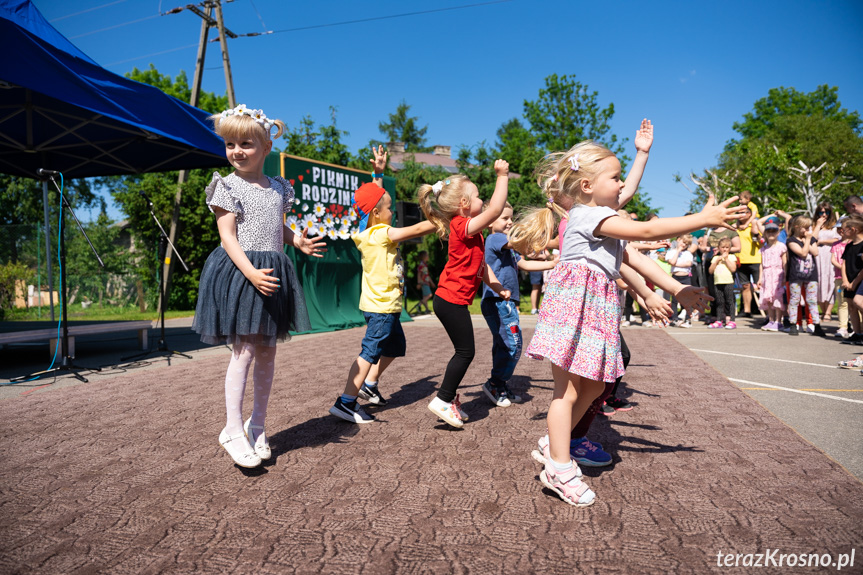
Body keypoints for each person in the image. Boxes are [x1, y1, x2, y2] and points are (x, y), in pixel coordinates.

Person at [508, 140, 743, 506]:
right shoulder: (588, 217)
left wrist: (674, 288)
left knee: (596, 388)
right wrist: (701, 219)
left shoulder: (603, 218)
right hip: (574, 312)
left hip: (595, 312)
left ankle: (554, 441)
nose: (622, 186)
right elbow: (648, 234)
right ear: (586, 186)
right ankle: (558, 466)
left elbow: (634, 259)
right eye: (614, 178)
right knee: (567, 393)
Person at [193, 105, 325, 468]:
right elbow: (228, 237)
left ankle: (258, 426)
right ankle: (233, 430)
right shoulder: (226, 185)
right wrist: (251, 272)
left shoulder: (277, 188)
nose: (236, 151)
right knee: (245, 351)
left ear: (267, 147)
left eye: (246, 143)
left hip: (272, 271)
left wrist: (296, 240)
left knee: (267, 351)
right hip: (243, 272)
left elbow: (275, 226)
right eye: (230, 143)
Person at [329, 147, 437, 424]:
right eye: (390, 208)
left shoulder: (372, 228)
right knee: (370, 351)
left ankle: (369, 383)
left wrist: (378, 173)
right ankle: (346, 401)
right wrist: (440, 218)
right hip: (381, 308)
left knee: (394, 346)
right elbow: (413, 230)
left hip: (385, 306)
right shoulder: (380, 234)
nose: (393, 212)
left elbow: (375, 201)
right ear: (378, 213)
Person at [417, 160, 512, 428]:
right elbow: (495, 210)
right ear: (463, 204)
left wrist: (497, 287)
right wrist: (502, 175)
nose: (482, 199)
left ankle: (449, 397)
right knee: (465, 352)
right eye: (478, 195)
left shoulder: (473, 233)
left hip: (451, 300)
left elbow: (480, 268)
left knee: (465, 351)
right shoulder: (461, 225)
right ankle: (443, 399)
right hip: (449, 300)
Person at [481, 202, 556, 407]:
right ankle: (495, 383)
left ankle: (499, 383)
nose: (509, 222)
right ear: (489, 221)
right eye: (504, 218)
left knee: (505, 344)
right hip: (498, 300)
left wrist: (551, 264)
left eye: (510, 218)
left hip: (504, 302)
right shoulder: (496, 238)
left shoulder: (507, 244)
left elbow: (524, 264)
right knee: (512, 345)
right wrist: (537, 226)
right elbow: (518, 243)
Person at [786, 215, 826, 337]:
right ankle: (793, 324)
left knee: (812, 300)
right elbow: (803, 254)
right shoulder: (791, 240)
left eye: (808, 227)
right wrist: (807, 241)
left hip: (811, 275)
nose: (807, 230)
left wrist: (808, 239)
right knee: (794, 299)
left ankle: (816, 324)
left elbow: (815, 252)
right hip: (796, 275)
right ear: (797, 227)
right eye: (805, 228)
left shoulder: (810, 238)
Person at [756, 220, 787, 331]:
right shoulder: (763, 249)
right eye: (768, 232)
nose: (771, 234)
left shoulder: (781, 246)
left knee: (777, 297)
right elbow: (761, 264)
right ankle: (771, 320)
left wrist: (784, 276)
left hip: (777, 274)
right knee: (768, 298)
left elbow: (784, 262)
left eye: (774, 231)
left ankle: (779, 321)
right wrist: (760, 278)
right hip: (767, 275)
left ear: (778, 233)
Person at [735, 205, 763, 318]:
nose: (742, 215)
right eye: (739, 212)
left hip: (755, 260)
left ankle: (765, 311)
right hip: (740, 261)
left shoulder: (754, 225)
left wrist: (755, 234)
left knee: (759, 287)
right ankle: (747, 311)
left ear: (749, 214)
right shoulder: (735, 227)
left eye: (745, 212)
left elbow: (761, 243)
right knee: (745, 286)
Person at [814, 203, 840, 321]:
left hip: (830, 255)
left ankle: (828, 312)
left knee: (830, 283)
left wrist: (822, 241)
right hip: (817, 256)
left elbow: (837, 239)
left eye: (827, 212)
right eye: (821, 212)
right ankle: (823, 311)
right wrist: (818, 225)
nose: (824, 214)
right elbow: (812, 239)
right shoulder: (814, 225)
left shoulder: (834, 226)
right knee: (819, 284)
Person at [708, 237, 738, 329]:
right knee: (719, 302)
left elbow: (733, 269)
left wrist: (726, 259)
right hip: (718, 282)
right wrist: (716, 261)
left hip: (728, 282)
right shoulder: (715, 258)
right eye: (722, 247)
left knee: (729, 301)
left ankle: (732, 320)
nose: (724, 249)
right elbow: (710, 271)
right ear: (719, 248)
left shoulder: (732, 257)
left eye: (727, 247)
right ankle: (719, 320)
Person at [841, 216, 863, 344]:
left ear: (853, 229)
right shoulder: (849, 246)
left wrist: (854, 283)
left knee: (859, 305)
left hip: (858, 281)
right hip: (848, 281)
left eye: (845, 230)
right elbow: (843, 263)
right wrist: (845, 280)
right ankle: (857, 333)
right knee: (851, 307)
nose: (842, 232)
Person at [667, 234, 695, 327]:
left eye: (686, 244)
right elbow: (672, 262)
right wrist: (678, 251)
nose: (684, 245)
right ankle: (674, 318)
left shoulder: (688, 254)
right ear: (678, 240)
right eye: (683, 242)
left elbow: (688, 263)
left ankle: (688, 319)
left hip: (686, 277)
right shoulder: (671, 252)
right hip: (675, 277)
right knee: (675, 299)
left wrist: (676, 264)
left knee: (688, 299)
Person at [831, 221, 850, 338]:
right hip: (839, 278)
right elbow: (833, 260)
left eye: (842, 228)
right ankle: (843, 327)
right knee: (842, 302)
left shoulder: (853, 244)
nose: (840, 231)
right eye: (838, 229)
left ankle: (859, 326)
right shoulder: (836, 245)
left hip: (853, 278)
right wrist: (842, 268)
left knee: (855, 303)